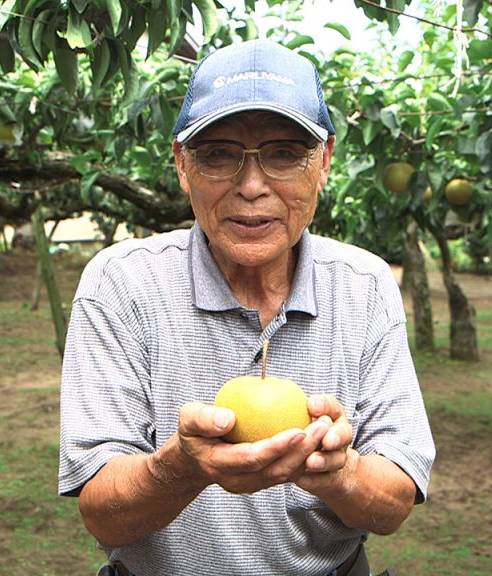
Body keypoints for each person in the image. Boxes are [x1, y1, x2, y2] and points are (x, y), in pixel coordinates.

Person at [58, 39, 435, 576]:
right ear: (183, 165)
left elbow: (395, 501)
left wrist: (339, 473)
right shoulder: (122, 284)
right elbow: (103, 515)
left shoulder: (364, 286)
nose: (252, 186)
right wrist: (180, 468)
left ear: (324, 161)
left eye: (283, 154)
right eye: (218, 154)